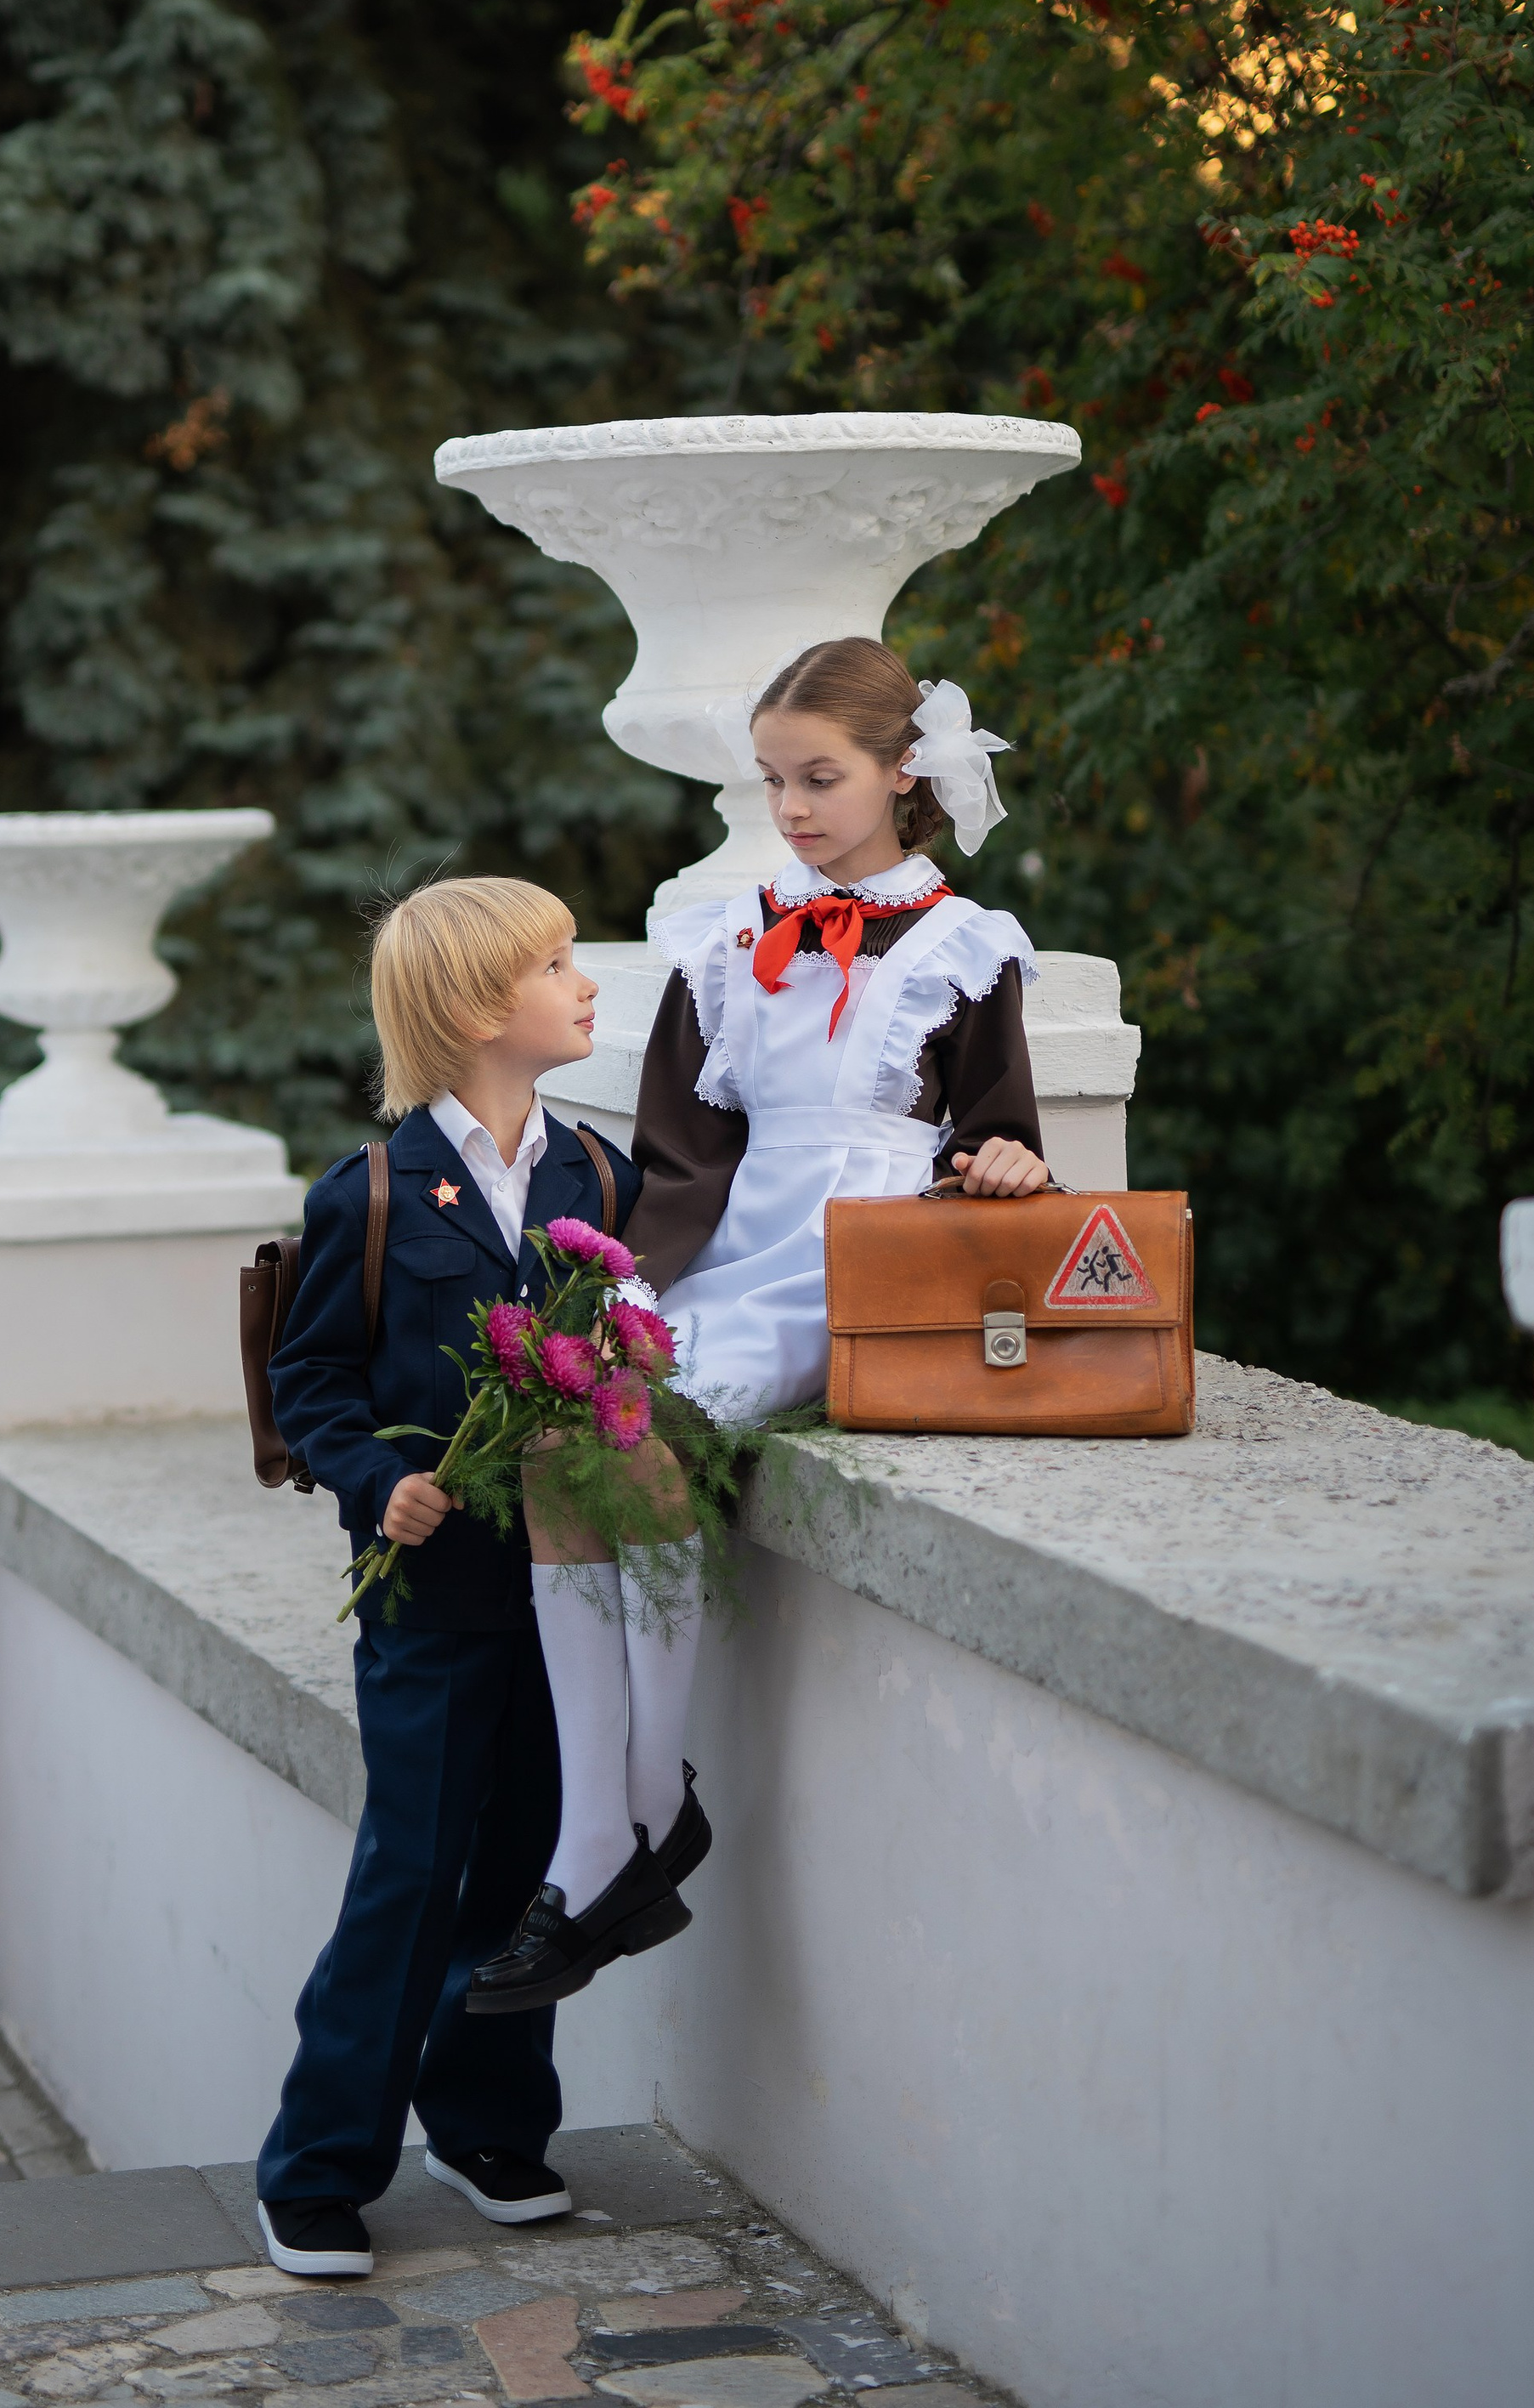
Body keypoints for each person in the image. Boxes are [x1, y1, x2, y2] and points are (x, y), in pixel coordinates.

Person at [473, 641, 1050, 2015]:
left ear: (903, 773)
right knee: (562, 1445)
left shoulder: (969, 949)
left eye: (821, 777)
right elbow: (677, 1156)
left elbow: (1001, 1132)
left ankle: (639, 1813)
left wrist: (1013, 1161)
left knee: (642, 1443)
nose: (791, 806)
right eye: (775, 779)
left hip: (861, 1263)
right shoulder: (729, 948)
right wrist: (631, 1291)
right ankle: (612, 1829)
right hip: (723, 1252)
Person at [255, 875, 642, 2280]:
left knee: (529, 1863)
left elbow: (617, 1343)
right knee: (409, 1876)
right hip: (426, 1599)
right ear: (483, 1009)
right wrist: (376, 1482)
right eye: (557, 963)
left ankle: (485, 2126)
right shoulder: (367, 1193)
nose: (586, 981)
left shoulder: (598, 1179)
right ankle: (317, 2164)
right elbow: (309, 1383)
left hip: (561, 1589)